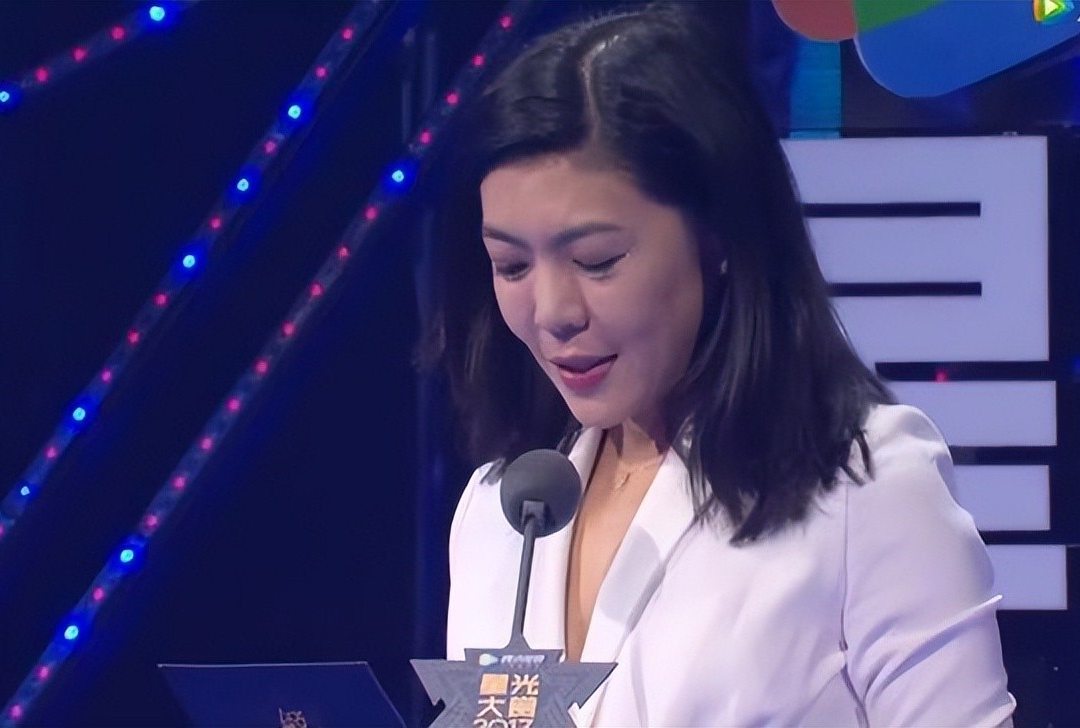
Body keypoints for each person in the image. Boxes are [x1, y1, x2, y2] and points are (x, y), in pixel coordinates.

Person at [421, 4, 1016, 725]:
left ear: (720, 236)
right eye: (511, 265)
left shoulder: (864, 486)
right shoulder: (499, 511)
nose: (552, 311)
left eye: (597, 260)